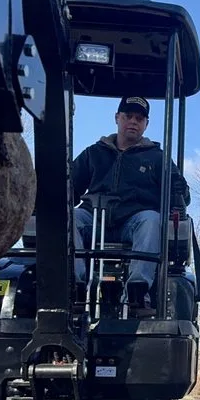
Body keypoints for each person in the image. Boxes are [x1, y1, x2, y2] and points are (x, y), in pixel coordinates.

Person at [71, 95, 190, 314]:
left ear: (146, 124)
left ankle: (137, 290)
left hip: (133, 223)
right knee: (70, 217)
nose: (133, 122)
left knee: (152, 219)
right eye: (128, 116)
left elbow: (182, 196)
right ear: (117, 118)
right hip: (94, 219)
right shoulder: (93, 153)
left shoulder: (157, 158)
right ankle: (74, 286)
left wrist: (178, 193)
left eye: (139, 118)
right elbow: (70, 187)